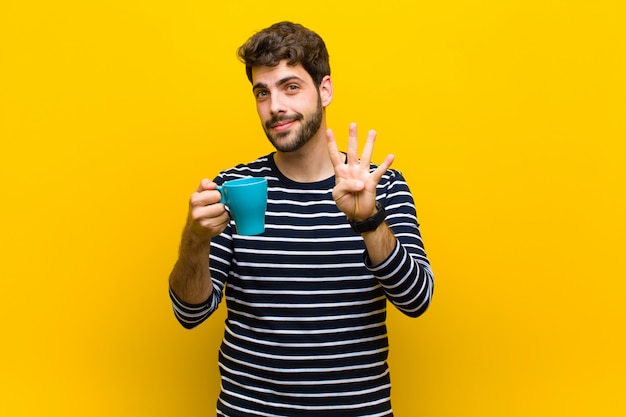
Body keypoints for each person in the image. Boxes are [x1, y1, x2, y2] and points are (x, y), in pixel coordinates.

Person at [169, 21, 434, 417]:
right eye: (263, 92)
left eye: (290, 86)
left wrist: (369, 221)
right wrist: (194, 239)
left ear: (324, 90)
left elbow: (417, 300)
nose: (275, 105)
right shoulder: (232, 188)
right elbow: (190, 314)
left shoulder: (383, 185)